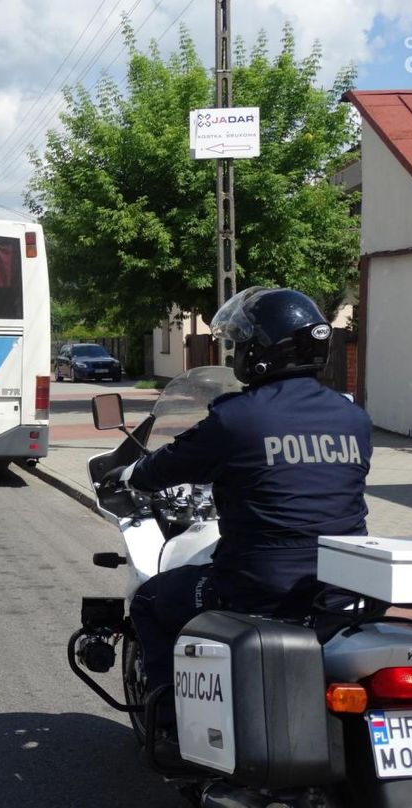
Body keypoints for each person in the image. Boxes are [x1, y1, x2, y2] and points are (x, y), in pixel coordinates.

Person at [122, 287, 372, 734]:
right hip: (342, 588)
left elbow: (164, 467)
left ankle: (168, 726)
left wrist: (133, 474)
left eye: (241, 343)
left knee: (150, 599)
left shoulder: (237, 419)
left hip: (258, 588)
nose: (237, 352)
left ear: (262, 352)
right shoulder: (354, 418)